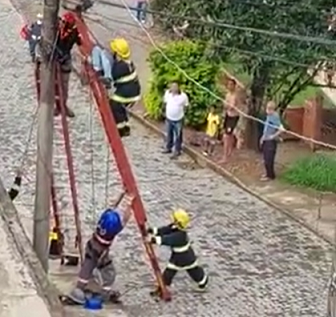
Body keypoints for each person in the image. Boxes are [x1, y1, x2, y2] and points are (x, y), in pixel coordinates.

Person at [64, 193, 134, 305]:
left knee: (87, 268)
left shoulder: (103, 219)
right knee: (110, 273)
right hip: (101, 253)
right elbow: (126, 218)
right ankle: (105, 294)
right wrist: (130, 203)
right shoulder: (113, 231)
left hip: (91, 246)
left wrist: (121, 194)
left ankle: (79, 288)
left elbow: (113, 206)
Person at [146, 209, 208, 296]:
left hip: (185, 258)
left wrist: (154, 240)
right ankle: (162, 288)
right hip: (178, 257)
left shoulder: (180, 236)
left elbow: (167, 239)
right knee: (170, 272)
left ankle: (203, 282)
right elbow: (165, 230)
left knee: (193, 271)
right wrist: (153, 231)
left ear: (178, 222)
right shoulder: (175, 227)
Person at [108, 38, 141, 137]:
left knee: (114, 104)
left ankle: (120, 129)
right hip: (134, 91)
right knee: (120, 107)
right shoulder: (128, 63)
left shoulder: (119, 67)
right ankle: (126, 126)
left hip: (127, 93)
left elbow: (112, 76)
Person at [54, 12, 82, 118]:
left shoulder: (72, 33)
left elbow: (79, 42)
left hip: (64, 59)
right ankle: (57, 106)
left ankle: (62, 106)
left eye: (63, 22)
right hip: (54, 59)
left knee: (64, 86)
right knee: (53, 84)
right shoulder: (56, 30)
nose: (61, 22)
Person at [162, 82, 189, 159]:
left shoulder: (183, 96)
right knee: (169, 133)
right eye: (172, 87)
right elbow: (165, 103)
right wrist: (164, 112)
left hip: (178, 119)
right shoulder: (167, 94)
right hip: (169, 117)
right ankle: (168, 147)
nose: (173, 88)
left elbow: (186, 106)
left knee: (178, 135)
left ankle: (177, 150)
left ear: (178, 88)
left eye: (175, 87)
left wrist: (183, 114)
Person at [260, 101, 284, 181]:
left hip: (271, 141)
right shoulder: (268, 116)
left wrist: (273, 136)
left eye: (270, 109)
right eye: (267, 108)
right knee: (265, 159)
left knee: (269, 159)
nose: (268, 111)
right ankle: (267, 173)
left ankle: (270, 176)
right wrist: (262, 137)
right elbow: (266, 128)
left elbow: (281, 129)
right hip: (265, 139)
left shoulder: (274, 117)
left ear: (273, 109)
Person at [221, 78, 240, 163]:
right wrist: (226, 106)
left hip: (233, 117)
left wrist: (227, 105)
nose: (229, 86)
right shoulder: (227, 95)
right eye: (228, 85)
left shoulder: (235, 96)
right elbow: (225, 105)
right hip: (228, 116)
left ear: (234, 86)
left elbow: (231, 107)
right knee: (229, 135)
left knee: (226, 136)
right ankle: (229, 152)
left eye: (231, 85)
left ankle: (225, 156)